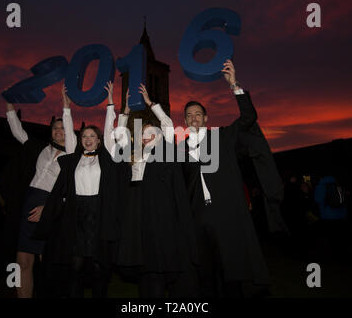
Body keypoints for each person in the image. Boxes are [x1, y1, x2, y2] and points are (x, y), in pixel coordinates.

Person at [180, 59, 270, 297]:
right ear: (185, 121)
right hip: (197, 217)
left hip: (225, 215)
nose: (194, 118)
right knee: (205, 276)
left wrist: (234, 86)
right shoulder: (178, 150)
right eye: (189, 115)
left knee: (231, 274)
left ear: (206, 119)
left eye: (198, 114)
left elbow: (248, 118)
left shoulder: (222, 138)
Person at [33, 81, 122, 298]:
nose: (88, 139)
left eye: (92, 136)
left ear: (99, 141)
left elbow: (110, 127)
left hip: (99, 215)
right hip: (77, 216)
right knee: (75, 268)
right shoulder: (73, 158)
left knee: (100, 268)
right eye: (84, 136)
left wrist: (111, 101)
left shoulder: (106, 158)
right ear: (80, 140)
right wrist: (66, 106)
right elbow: (68, 126)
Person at [115, 84, 197, 298]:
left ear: (159, 136)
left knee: (157, 264)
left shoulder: (165, 151)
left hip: (157, 211)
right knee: (142, 264)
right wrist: (125, 112)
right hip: (135, 211)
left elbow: (168, 124)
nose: (146, 136)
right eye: (143, 133)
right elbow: (121, 138)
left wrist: (151, 104)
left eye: (151, 132)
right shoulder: (134, 155)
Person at [0, 85, 74, 298]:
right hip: (29, 202)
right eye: (55, 128)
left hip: (50, 205)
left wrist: (66, 106)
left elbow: (69, 189)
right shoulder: (39, 148)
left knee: (47, 263)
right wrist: (9, 105)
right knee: (22, 261)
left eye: (62, 128)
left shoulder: (72, 153)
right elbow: (17, 131)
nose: (58, 131)